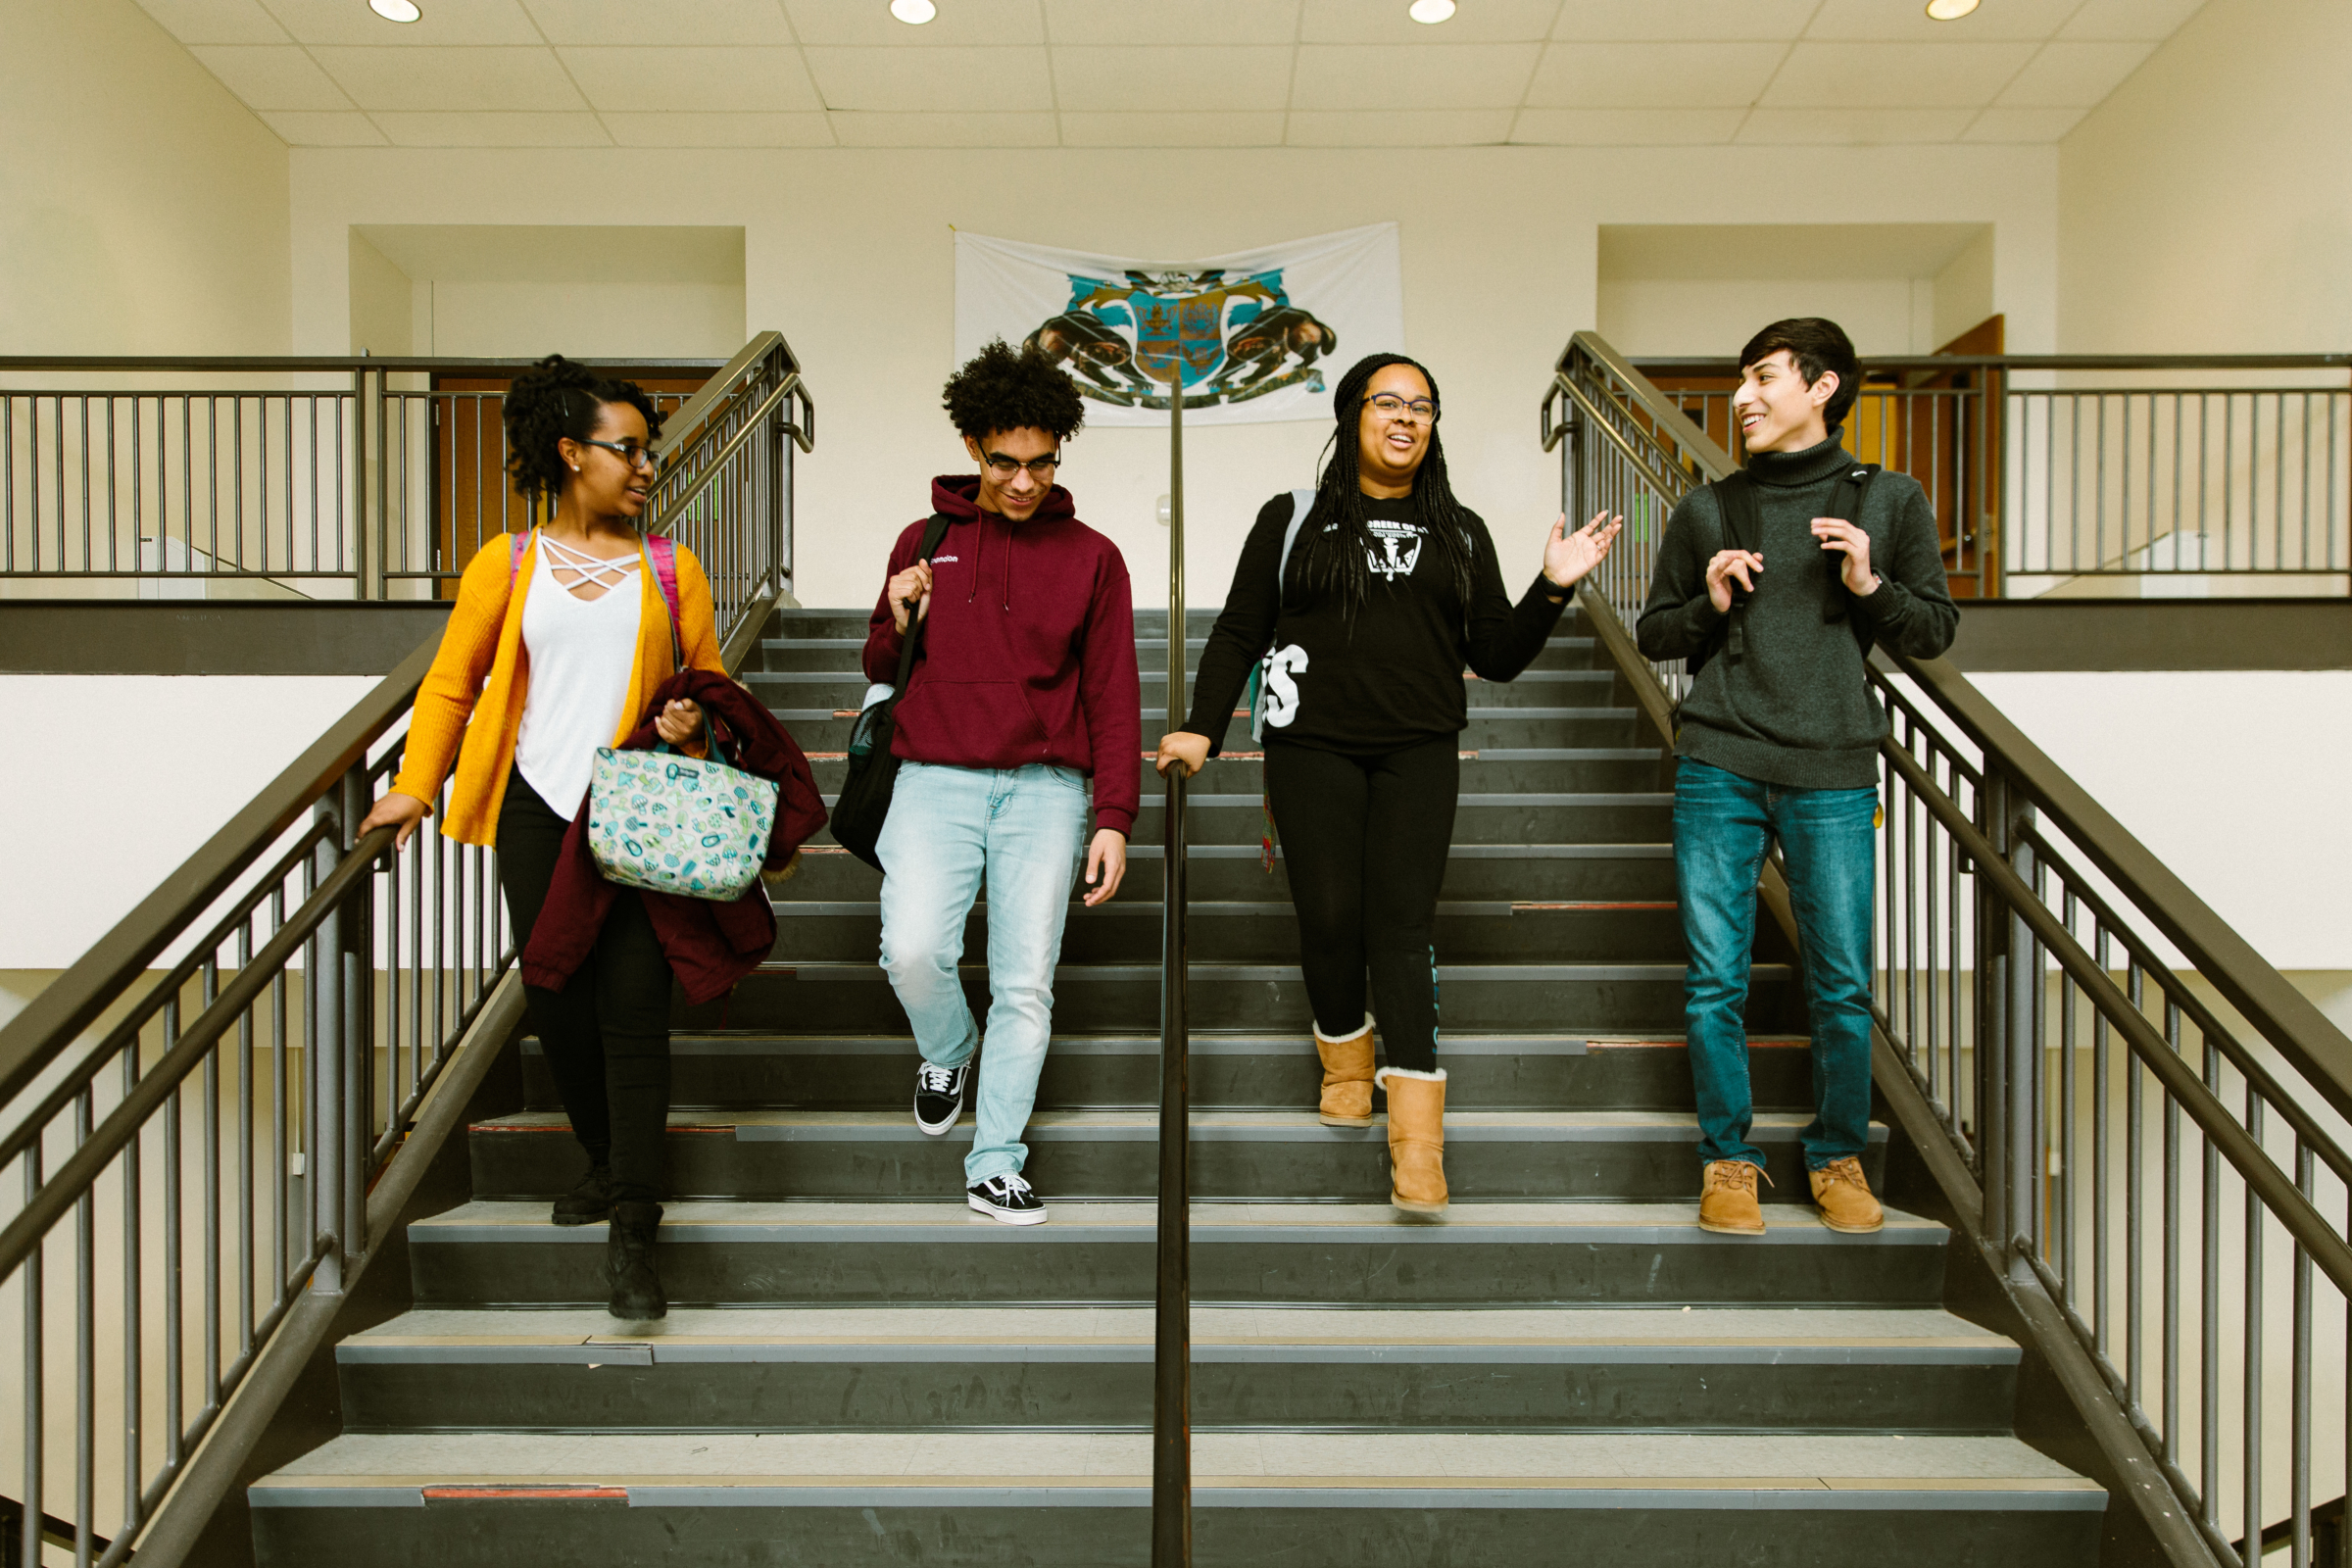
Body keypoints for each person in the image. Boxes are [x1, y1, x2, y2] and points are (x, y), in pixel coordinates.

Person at [1155, 353, 1622, 1216]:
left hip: (1418, 748)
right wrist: (1202, 726)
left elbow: (1496, 656)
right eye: (1388, 402)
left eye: (1423, 406)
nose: (1406, 417)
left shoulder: (1461, 531)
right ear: (1351, 415)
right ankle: (1344, 1058)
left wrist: (1553, 587)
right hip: (1311, 746)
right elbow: (1240, 629)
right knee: (1331, 915)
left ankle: (1417, 1144)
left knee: (1401, 929)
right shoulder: (1292, 517)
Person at [356, 354, 725, 1319]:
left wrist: (692, 719)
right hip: (535, 806)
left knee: (634, 1014)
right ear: (571, 453)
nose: (645, 466)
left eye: (647, 451)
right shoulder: (508, 562)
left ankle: (634, 1228)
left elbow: (712, 686)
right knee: (554, 998)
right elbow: (452, 684)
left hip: (637, 810)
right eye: (627, 449)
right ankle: (603, 1156)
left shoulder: (672, 570)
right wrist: (414, 789)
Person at [1634, 317, 1958, 1238]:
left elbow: (1933, 630)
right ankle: (1727, 1162)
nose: (1742, 397)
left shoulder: (1889, 499)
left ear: (1821, 388)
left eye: (1764, 377)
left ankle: (1837, 1156)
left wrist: (1868, 585)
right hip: (1720, 761)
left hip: (1833, 767)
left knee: (1842, 981)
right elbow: (1656, 632)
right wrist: (1710, 603)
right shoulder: (1710, 508)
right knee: (1715, 982)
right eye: (1741, 379)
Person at [865, 339, 1141, 1226]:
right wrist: (898, 614)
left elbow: (1112, 691)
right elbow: (881, 665)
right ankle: (950, 1046)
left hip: (1045, 788)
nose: (1023, 482)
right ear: (972, 447)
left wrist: (1114, 814)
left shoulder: (1094, 557)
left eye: (1042, 463)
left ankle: (995, 1161)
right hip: (933, 776)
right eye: (1003, 463)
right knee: (911, 951)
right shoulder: (924, 541)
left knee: (1025, 985)